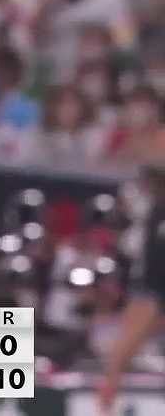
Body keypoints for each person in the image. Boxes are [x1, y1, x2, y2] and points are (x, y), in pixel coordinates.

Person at [98, 164, 165, 412]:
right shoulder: (149, 210)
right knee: (124, 350)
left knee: (125, 349)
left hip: (154, 288)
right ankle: (105, 404)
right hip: (150, 288)